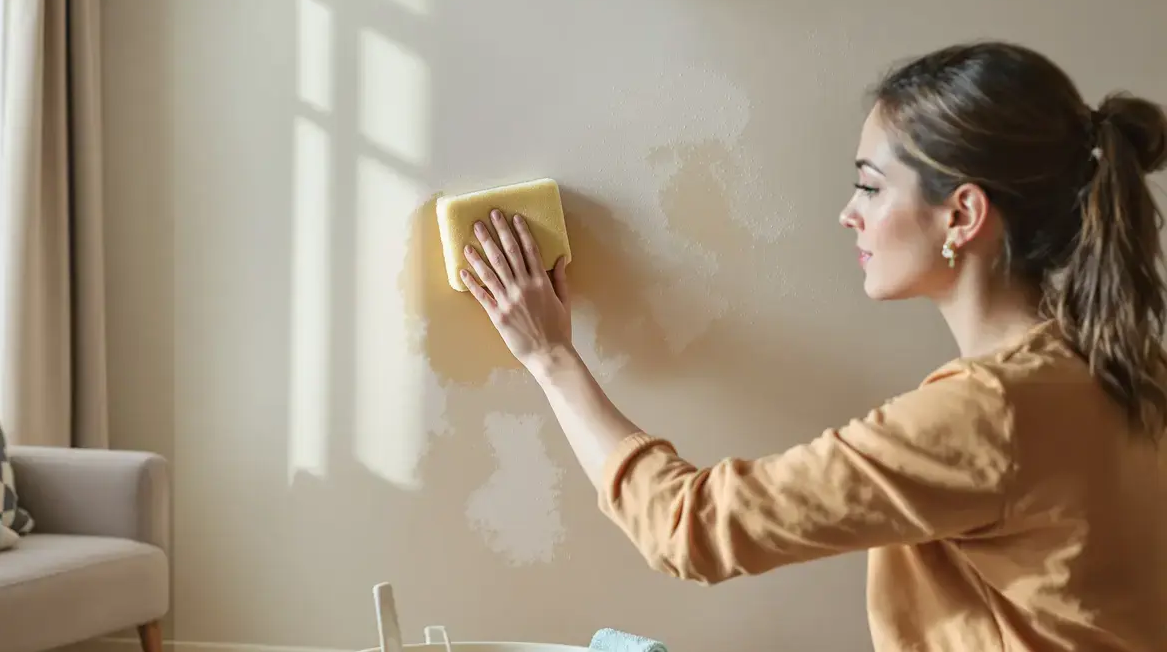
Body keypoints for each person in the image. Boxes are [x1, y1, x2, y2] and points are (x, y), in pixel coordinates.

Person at [455, 40, 1167, 651]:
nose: (848, 214)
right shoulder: (1126, 362)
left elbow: (690, 527)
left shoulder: (989, 413)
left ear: (963, 212)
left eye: (871, 186)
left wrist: (552, 359)